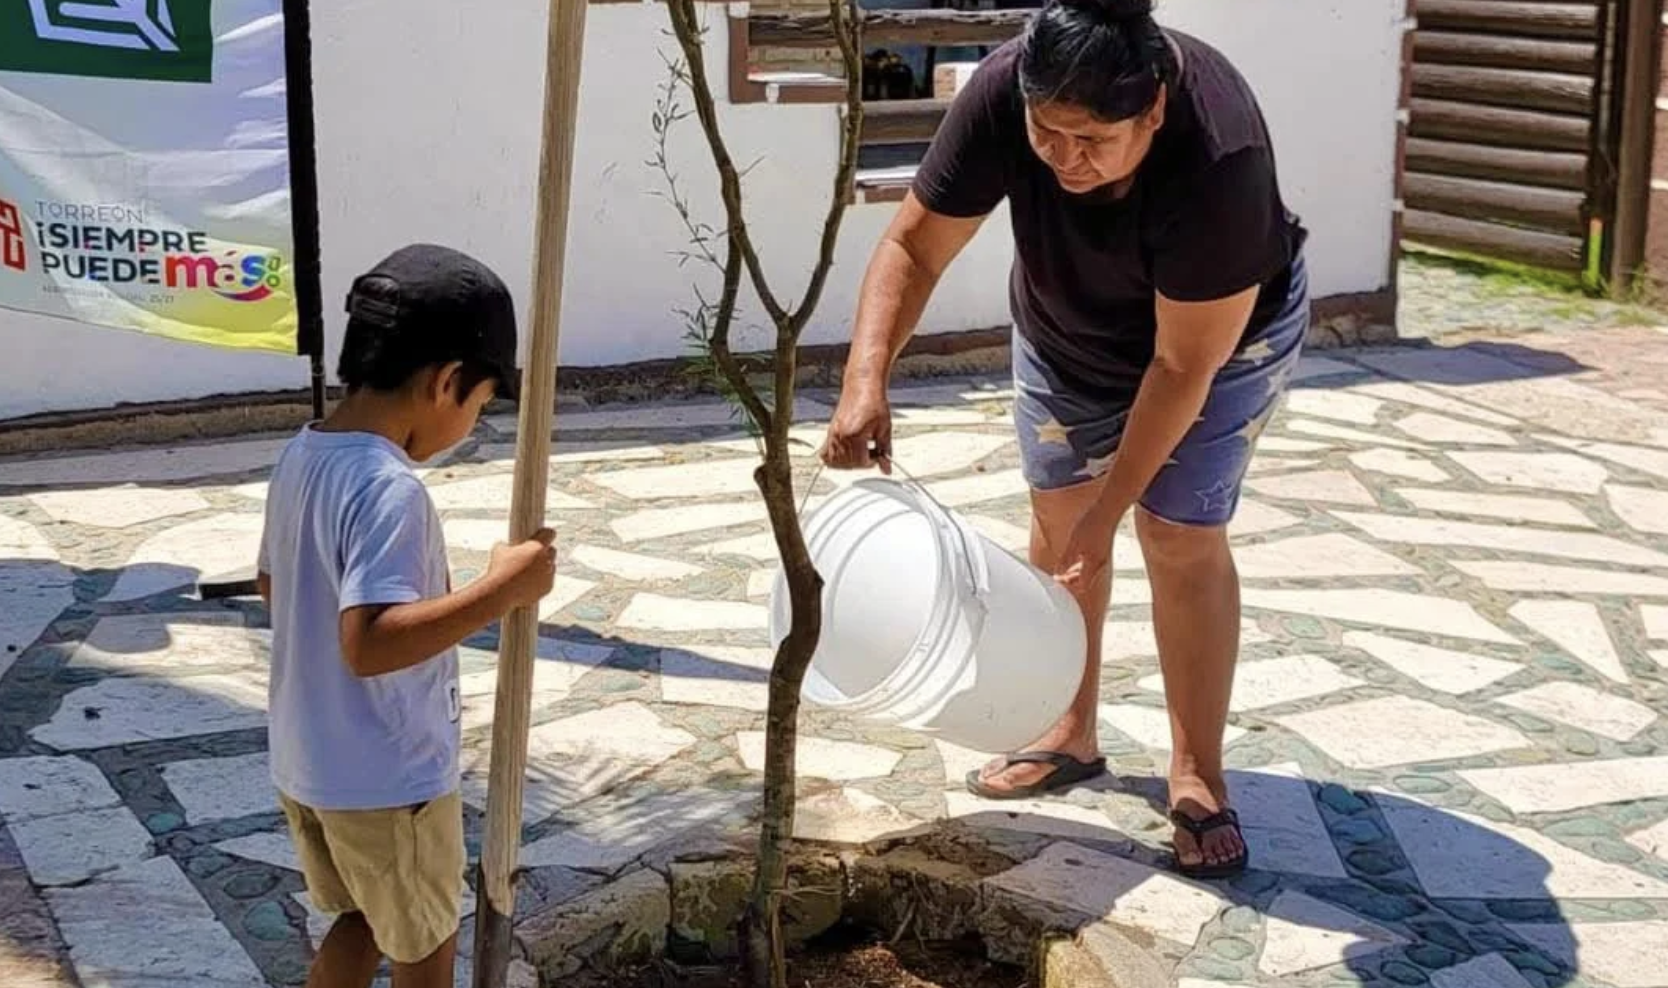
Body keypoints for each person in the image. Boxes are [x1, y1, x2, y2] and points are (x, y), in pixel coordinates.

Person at [821, 0, 1308, 878]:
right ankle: (1067, 729)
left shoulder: (1218, 155)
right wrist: (866, 381)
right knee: (1058, 525)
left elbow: (1176, 369)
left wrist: (1111, 508)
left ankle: (1197, 772)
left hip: (1222, 340)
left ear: (1152, 111)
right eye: (1048, 134)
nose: (1064, 159)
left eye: (1092, 141)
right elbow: (914, 246)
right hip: (1066, 327)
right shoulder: (1008, 90)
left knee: (1176, 532)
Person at [255, 243, 558, 987]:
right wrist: (501, 590)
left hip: (309, 764)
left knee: (360, 915)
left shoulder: (303, 455)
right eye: (482, 405)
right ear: (447, 381)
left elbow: (272, 585)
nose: (474, 422)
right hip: (388, 781)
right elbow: (370, 642)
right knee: (425, 943)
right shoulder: (389, 489)